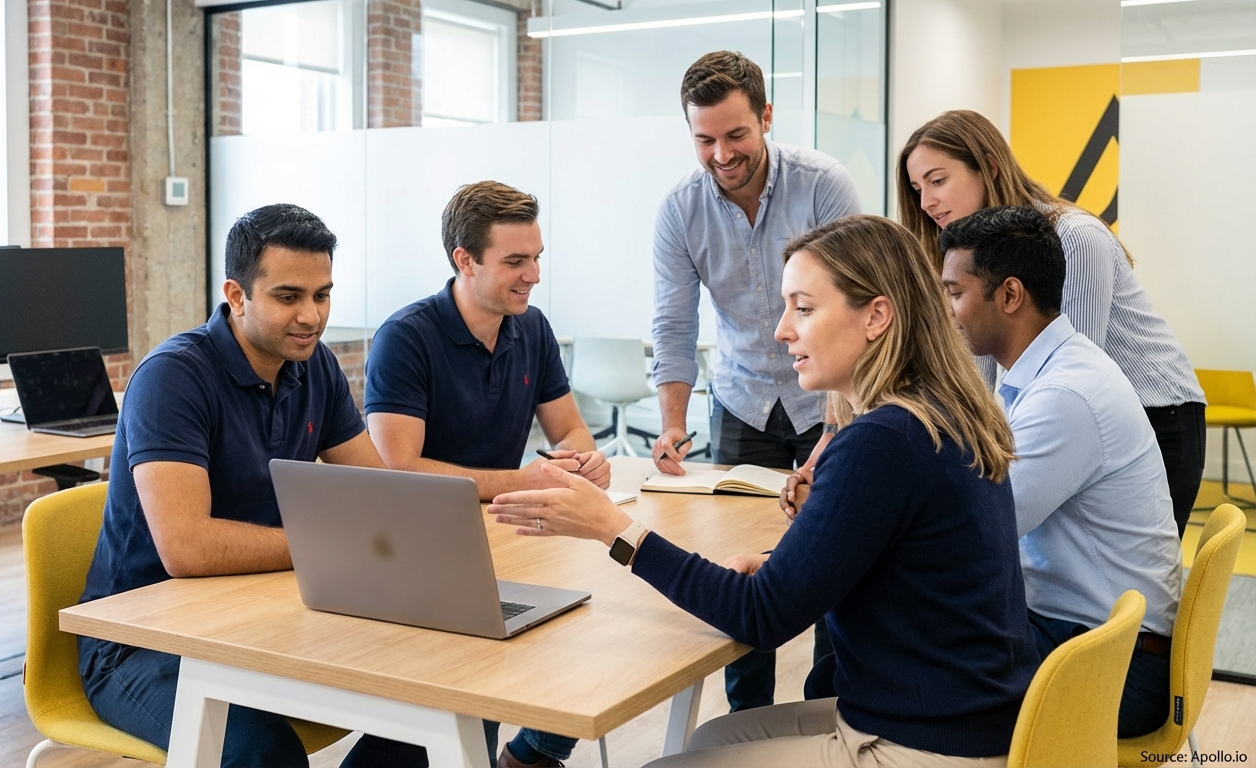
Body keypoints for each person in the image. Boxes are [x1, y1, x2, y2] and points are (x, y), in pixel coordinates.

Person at [489, 215, 1040, 767]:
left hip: (927, 743)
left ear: (876, 316)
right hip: (961, 717)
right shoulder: (932, 417)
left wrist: (612, 527)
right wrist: (784, 562)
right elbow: (897, 553)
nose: (782, 330)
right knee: (709, 741)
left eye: (803, 307)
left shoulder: (883, 441)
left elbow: (760, 618)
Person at [76, 203, 387, 768]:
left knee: (456, 696)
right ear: (238, 295)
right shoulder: (173, 377)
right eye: (289, 297)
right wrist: (335, 545)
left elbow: (378, 498)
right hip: (141, 644)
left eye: (322, 295)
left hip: (257, 619)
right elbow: (187, 548)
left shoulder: (314, 366)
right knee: (262, 754)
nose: (312, 317)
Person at [362, 180, 606, 768]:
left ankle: (528, 758)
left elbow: (568, 430)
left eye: (538, 257)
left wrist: (582, 458)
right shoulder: (407, 337)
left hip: (508, 537)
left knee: (594, 639)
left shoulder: (533, 327)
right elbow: (399, 469)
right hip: (420, 548)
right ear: (464, 260)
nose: (534, 274)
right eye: (516, 261)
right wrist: (520, 482)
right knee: (470, 697)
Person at [648, 48, 862, 713]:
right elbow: (673, 322)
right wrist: (673, 423)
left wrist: (833, 433)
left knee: (837, 553)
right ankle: (751, 720)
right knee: (740, 561)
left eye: (735, 134)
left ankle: (829, 706)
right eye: (704, 139)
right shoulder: (680, 210)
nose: (721, 153)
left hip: (826, 395)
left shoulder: (823, 184)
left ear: (766, 117)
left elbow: (854, 311)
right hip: (742, 398)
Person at [898, 109, 1206, 535]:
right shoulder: (974, 255)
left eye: (937, 180)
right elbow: (984, 359)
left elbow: (1075, 370)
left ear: (988, 167)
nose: (926, 202)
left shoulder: (1073, 237)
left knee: (1111, 570)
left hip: (1156, 412)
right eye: (917, 189)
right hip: (1066, 414)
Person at [940, 205, 1182, 738]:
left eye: (955, 293)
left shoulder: (1064, 396)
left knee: (886, 657)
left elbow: (974, 531)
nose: (946, 312)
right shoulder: (1045, 373)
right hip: (1090, 637)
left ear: (1009, 295)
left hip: (1114, 669)